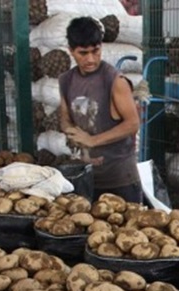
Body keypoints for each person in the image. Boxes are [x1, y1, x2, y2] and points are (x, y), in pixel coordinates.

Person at [59, 16, 141, 202]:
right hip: (87, 178)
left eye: (95, 51)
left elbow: (133, 123)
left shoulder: (114, 81)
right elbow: (65, 117)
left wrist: (93, 140)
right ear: (71, 51)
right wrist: (72, 132)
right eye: (83, 53)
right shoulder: (66, 81)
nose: (90, 59)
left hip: (120, 180)